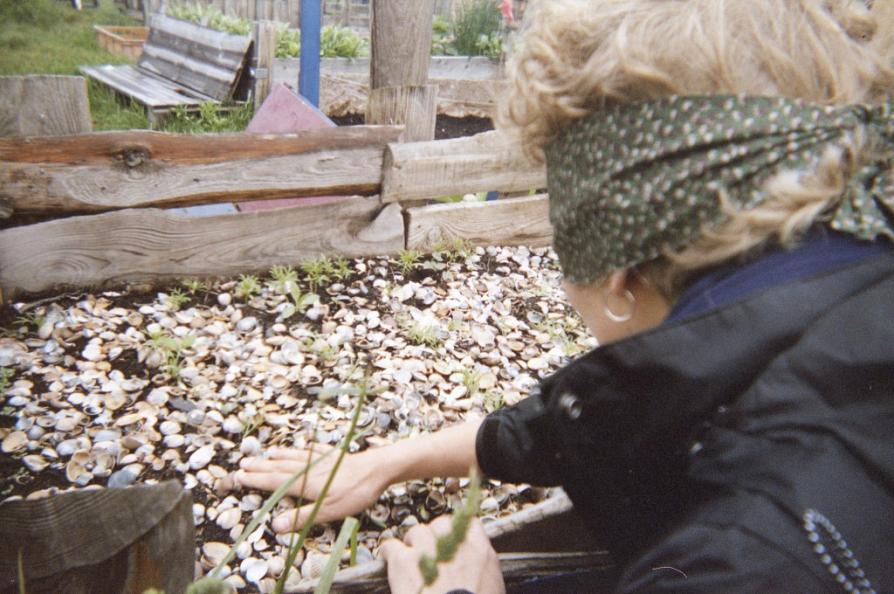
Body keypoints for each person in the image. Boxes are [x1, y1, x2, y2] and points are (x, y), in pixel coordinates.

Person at [220, 0, 894, 591]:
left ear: (617, 265)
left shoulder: (753, 559)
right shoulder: (845, 297)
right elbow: (645, 399)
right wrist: (396, 459)